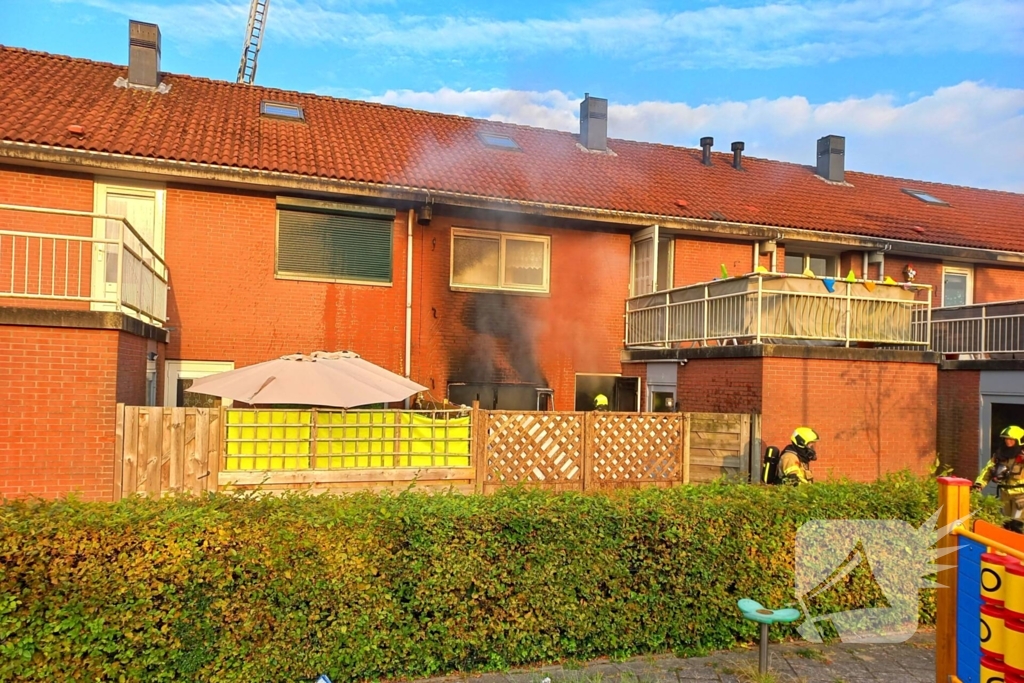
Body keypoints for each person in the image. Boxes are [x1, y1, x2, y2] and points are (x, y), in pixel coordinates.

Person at [973, 425, 1024, 520]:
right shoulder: (1000, 454)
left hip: (1021, 496)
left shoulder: (1022, 456)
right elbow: (988, 469)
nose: (1007, 441)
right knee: (1005, 523)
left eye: (1011, 439)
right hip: (1004, 495)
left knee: (1017, 524)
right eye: (1006, 439)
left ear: (1018, 440)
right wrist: (979, 484)